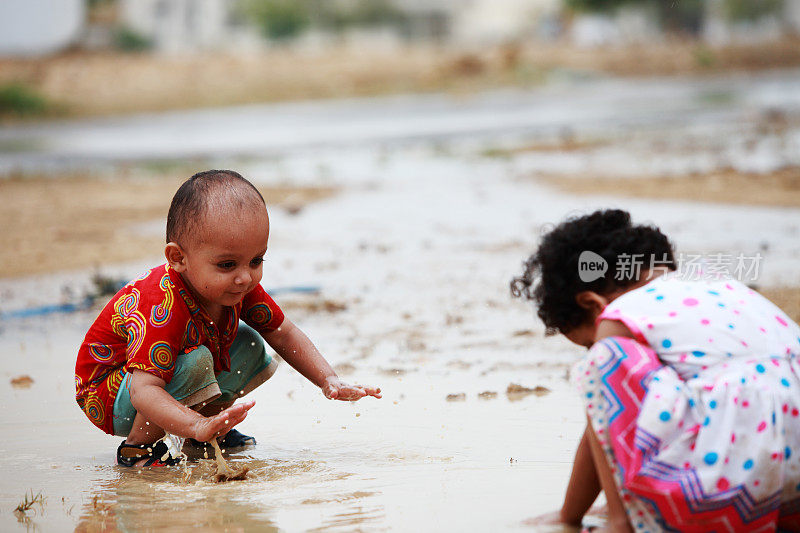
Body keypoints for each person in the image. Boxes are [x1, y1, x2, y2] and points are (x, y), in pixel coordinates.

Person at [511, 209, 800, 532]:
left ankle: (621, 522)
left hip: (733, 476)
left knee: (600, 365)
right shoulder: (717, 284)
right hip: (792, 468)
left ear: (592, 303)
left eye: (586, 341)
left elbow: (601, 415)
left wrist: (571, 517)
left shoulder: (617, 316)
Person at [75, 169, 381, 467]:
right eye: (227, 264)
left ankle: (207, 436)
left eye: (256, 260)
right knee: (197, 362)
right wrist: (193, 424)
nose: (245, 278)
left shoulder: (238, 286)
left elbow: (284, 333)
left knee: (249, 343)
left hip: (159, 381)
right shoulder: (162, 305)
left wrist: (328, 379)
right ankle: (138, 449)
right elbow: (144, 391)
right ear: (178, 258)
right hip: (111, 394)